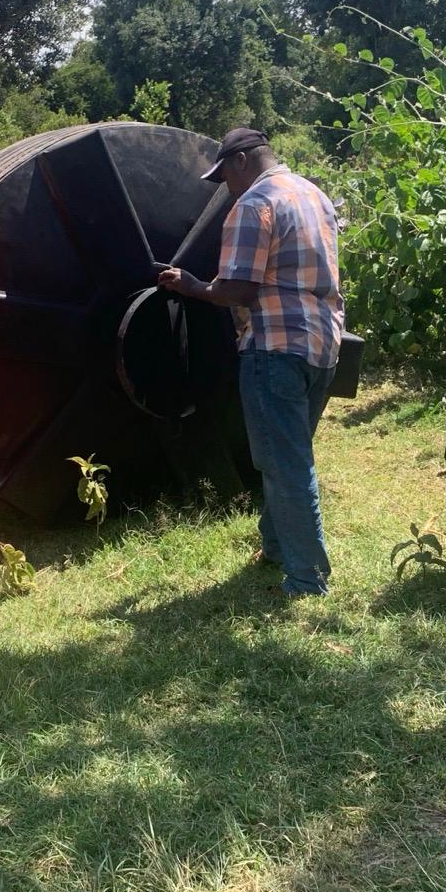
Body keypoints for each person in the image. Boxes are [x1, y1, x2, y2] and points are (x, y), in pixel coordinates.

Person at [159, 127, 344, 597]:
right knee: (284, 454)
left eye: (224, 176)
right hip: (323, 344)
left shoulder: (253, 205)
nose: (226, 187)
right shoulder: (313, 193)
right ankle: (277, 546)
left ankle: (307, 577)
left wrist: (191, 286)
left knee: (286, 463)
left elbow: (237, 289)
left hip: (274, 345)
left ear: (241, 161)